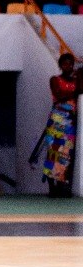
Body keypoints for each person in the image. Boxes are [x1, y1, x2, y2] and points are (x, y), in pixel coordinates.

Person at [33, 53, 79, 198]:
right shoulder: (55, 79)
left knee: (65, 154)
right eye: (65, 64)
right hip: (57, 119)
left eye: (70, 64)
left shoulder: (76, 81)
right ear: (60, 65)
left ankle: (61, 186)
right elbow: (59, 95)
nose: (68, 66)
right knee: (53, 152)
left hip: (70, 121)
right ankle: (52, 187)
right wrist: (75, 92)